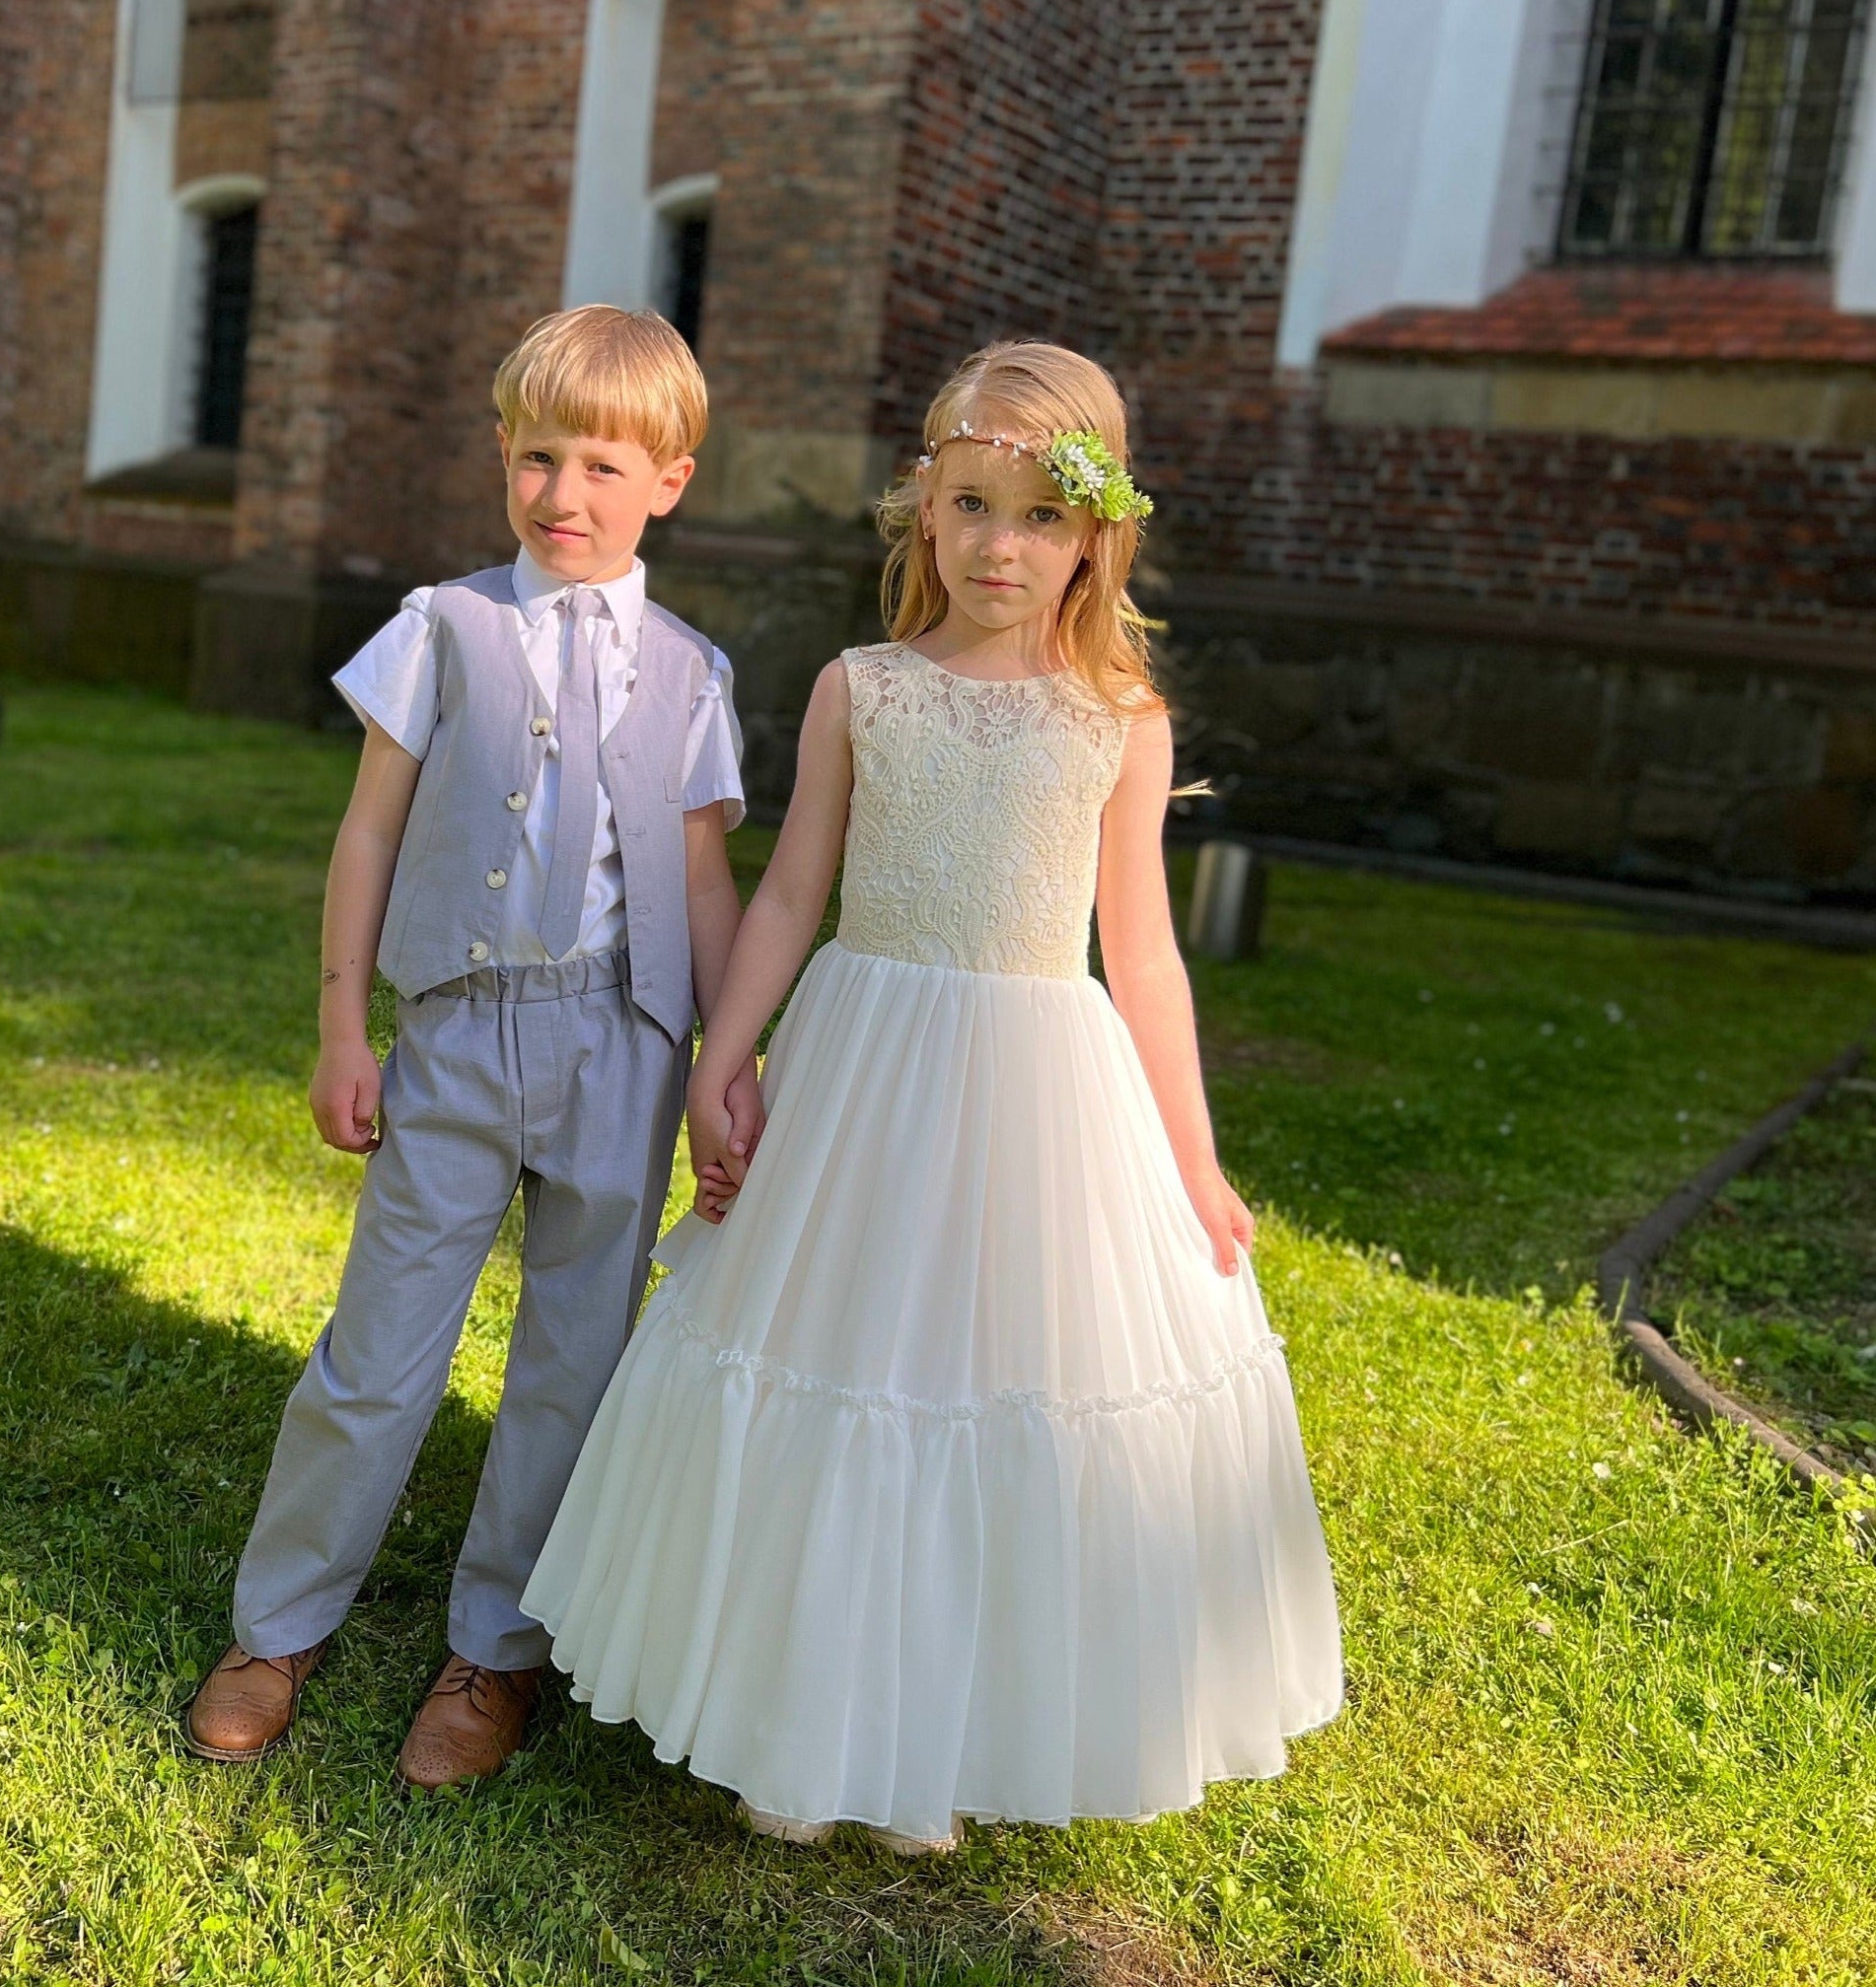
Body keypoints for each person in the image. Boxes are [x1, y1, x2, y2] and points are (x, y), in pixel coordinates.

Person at [525, 340, 1343, 1852]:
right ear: (923, 510)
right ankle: (799, 1711)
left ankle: (949, 1722)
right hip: (861, 1071)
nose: (999, 545)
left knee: (992, 1380)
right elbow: (783, 895)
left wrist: (1195, 1157)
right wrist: (724, 1052)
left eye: (1039, 515)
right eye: (970, 505)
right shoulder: (864, 690)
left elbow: (1143, 958)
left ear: (1096, 534)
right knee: (838, 1358)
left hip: (1037, 1085)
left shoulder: (1119, 720)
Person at [182, 306, 763, 1789]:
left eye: (601, 466)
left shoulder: (692, 675)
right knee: (375, 1354)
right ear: (502, 460)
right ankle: (277, 1621)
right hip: (455, 1031)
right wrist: (339, 1026)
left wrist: (716, 1063)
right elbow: (369, 827)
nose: (562, 494)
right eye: (535, 457)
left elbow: (702, 884)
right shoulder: (440, 626)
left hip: (623, 1047)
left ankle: (494, 1649)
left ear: (670, 481)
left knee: (572, 1358)